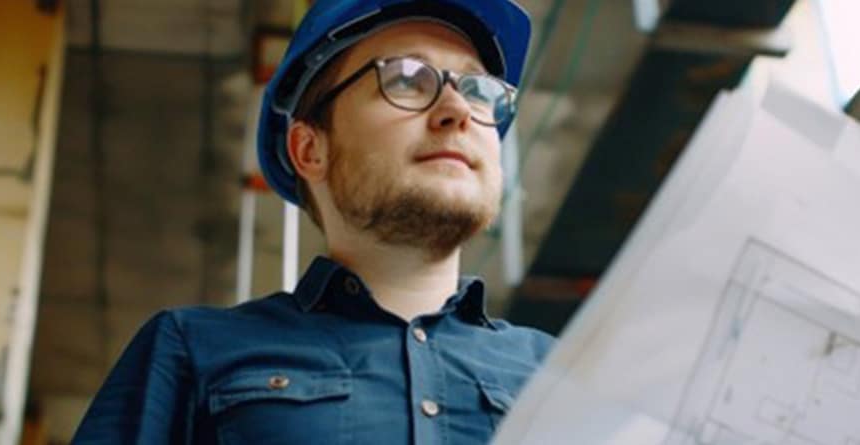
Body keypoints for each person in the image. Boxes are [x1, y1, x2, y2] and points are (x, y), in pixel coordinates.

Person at [72, 1, 554, 443]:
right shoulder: (191, 350)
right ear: (310, 149)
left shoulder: (563, 373)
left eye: (478, 90)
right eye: (407, 78)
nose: (457, 111)